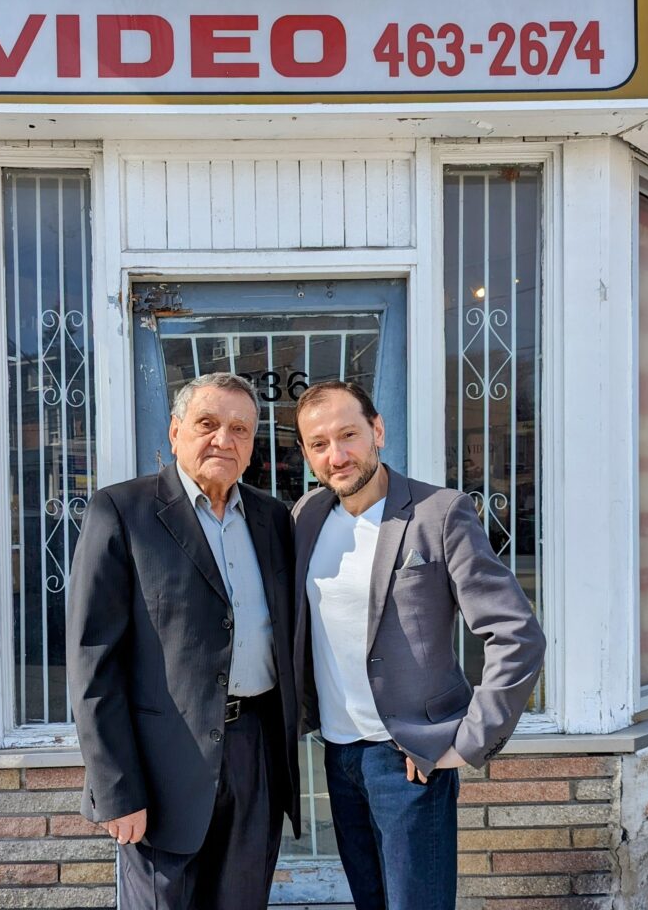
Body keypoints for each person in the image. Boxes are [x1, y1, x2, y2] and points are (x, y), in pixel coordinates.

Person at [292, 380, 545, 910]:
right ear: (307, 452)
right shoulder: (306, 517)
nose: (336, 456)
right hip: (338, 755)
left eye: (348, 435)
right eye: (319, 444)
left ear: (377, 430)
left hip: (409, 757)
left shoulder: (439, 512)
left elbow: (516, 634)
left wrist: (468, 740)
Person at [66, 372, 300, 910]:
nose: (225, 439)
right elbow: (91, 661)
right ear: (175, 433)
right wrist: (117, 788)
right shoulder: (120, 512)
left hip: (254, 752)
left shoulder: (272, 517)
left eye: (240, 429)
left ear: (252, 445)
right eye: (207, 424)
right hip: (159, 762)